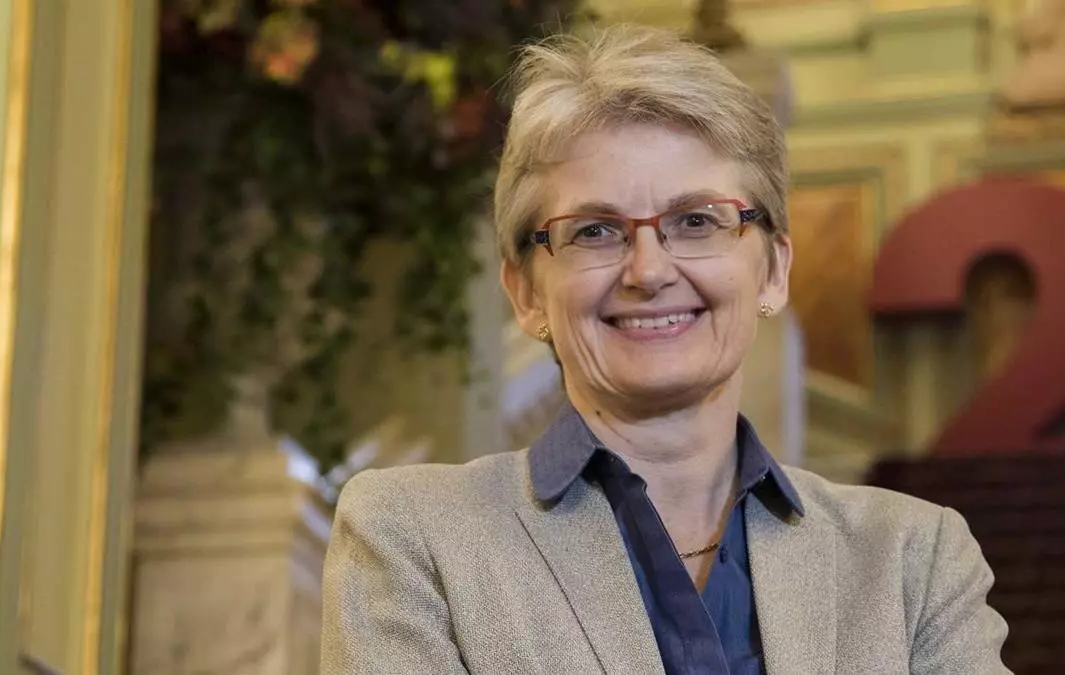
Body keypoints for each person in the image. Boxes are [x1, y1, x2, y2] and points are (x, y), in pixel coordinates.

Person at [321, 24, 1010, 674]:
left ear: (773, 270)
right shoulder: (414, 536)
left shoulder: (914, 561)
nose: (648, 271)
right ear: (526, 292)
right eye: (594, 231)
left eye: (696, 221)